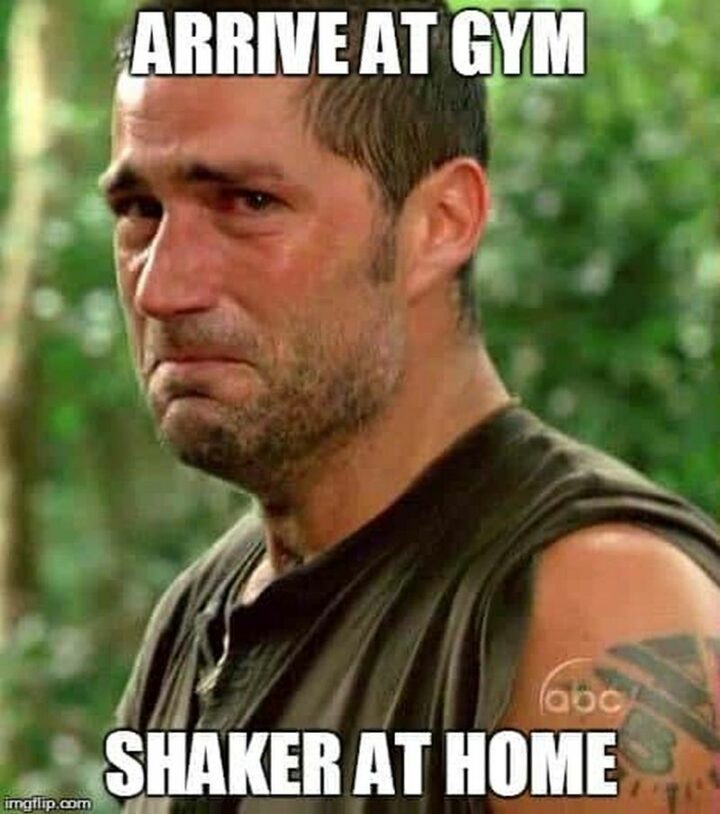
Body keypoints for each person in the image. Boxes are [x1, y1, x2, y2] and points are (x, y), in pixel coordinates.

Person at [101, 0, 720, 811]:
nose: (161, 287)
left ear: (440, 223)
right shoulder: (202, 610)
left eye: (248, 203)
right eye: (140, 211)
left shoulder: (594, 610)